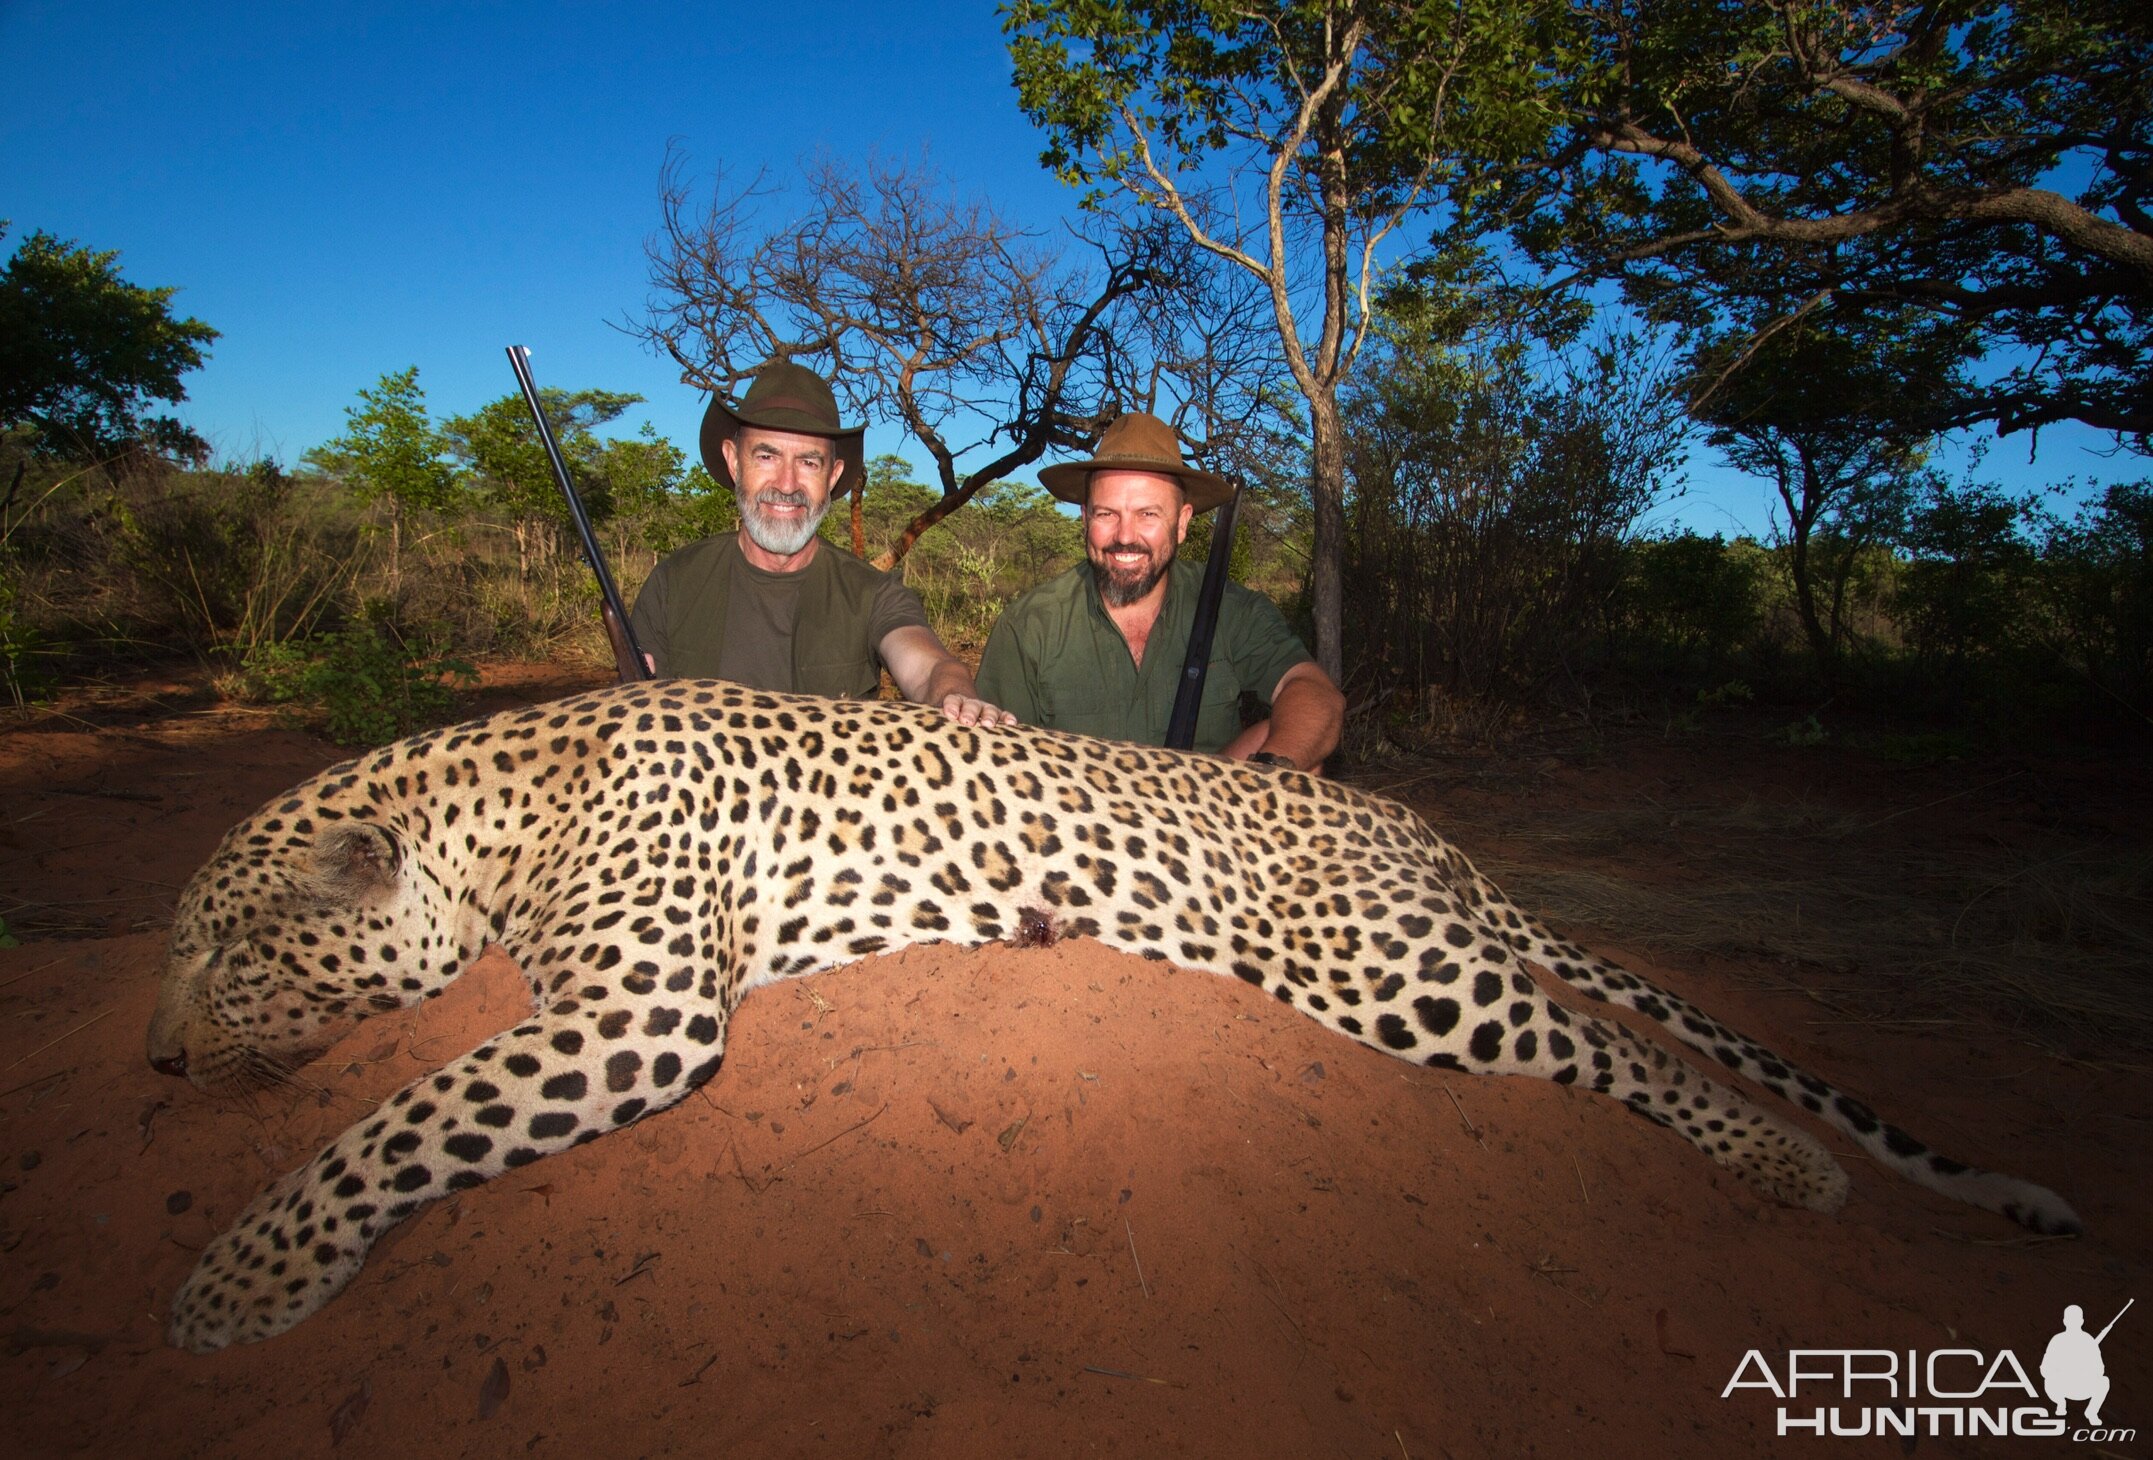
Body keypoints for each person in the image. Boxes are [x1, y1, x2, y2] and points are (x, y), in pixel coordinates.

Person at [630, 361, 1012, 727]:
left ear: (833, 475)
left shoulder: (873, 593)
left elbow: (930, 667)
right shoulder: (673, 584)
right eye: (766, 456)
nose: (787, 483)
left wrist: (955, 696)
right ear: (734, 462)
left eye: (809, 463)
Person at [975, 411, 1343, 769]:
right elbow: (995, 761)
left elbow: (1313, 692)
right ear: (1085, 518)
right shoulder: (1028, 626)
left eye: (1147, 514)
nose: (1124, 536)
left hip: (1204, 814)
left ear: (1182, 523)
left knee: (1291, 746)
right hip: (1076, 818)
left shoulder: (1230, 607)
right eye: (1107, 514)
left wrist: (1265, 782)